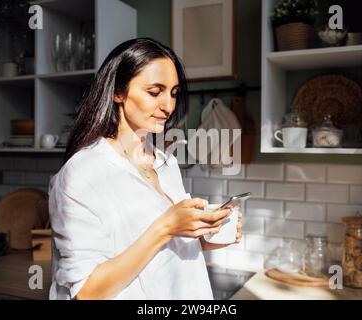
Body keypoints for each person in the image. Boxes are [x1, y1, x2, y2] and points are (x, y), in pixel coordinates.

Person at [48, 38, 243, 300]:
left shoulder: (166, 161)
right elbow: (87, 292)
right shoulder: (82, 174)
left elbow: (167, 250)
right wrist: (166, 227)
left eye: (173, 93)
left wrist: (206, 234)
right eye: (154, 92)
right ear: (118, 92)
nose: (168, 106)